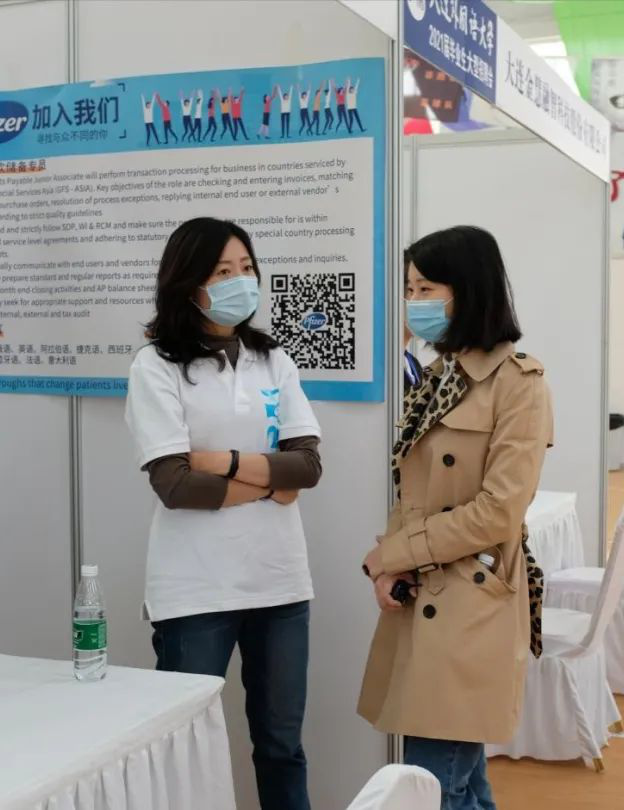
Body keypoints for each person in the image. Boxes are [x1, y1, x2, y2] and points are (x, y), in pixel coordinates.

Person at [126, 218, 322, 810]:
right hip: (195, 591)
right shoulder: (156, 365)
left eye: (246, 268)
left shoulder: (273, 359)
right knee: (182, 749)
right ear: (189, 284)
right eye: (222, 272)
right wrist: (270, 483)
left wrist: (224, 461)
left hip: (278, 581)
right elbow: (176, 485)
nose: (241, 280)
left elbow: (307, 466)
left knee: (282, 747)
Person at [358, 225, 553, 810]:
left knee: (436, 782)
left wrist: (395, 553)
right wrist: (390, 565)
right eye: (409, 289)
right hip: (425, 590)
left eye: (427, 289)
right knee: (457, 780)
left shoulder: (519, 384)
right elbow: (413, 487)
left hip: (472, 599)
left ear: (468, 290)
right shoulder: (441, 375)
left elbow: (498, 512)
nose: (413, 302)